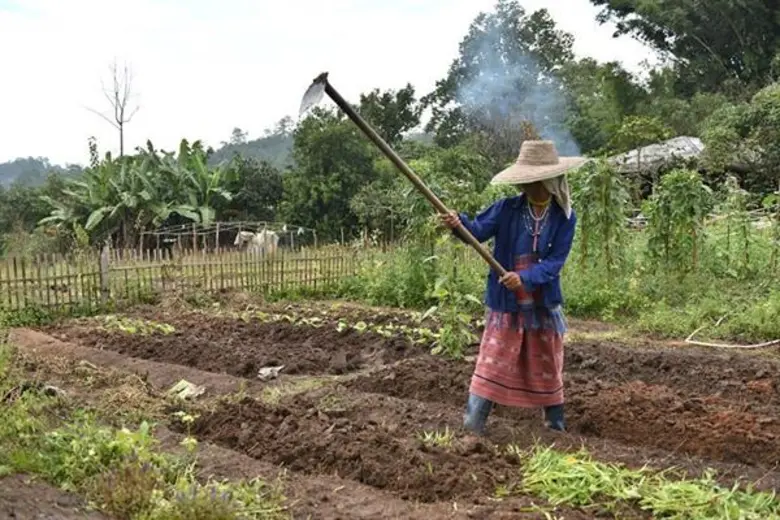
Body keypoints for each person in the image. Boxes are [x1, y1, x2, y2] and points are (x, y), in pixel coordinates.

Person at [439, 140, 587, 438]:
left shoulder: (564, 218)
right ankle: (473, 427)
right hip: (506, 301)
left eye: (534, 182)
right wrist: (458, 224)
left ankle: (555, 429)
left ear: (551, 181)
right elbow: (477, 231)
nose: (528, 188)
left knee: (547, 363)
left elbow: (555, 262)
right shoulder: (507, 209)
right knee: (493, 359)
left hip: (541, 302)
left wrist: (525, 278)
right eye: (526, 182)